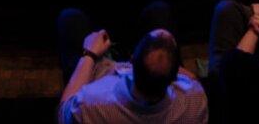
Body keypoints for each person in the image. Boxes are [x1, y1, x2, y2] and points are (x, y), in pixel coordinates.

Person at [58, 25, 206, 124]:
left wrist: (88, 54)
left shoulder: (91, 103)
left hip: (99, 71)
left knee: (71, 18)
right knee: (158, 8)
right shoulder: (195, 100)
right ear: (175, 76)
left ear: (132, 60)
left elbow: (62, 113)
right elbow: (193, 81)